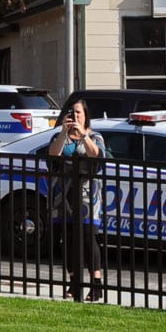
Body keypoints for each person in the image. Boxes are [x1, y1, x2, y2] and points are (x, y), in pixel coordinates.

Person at [47, 99, 104, 302]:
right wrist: (64, 132)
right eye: (72, 113)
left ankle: (96, 284)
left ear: (86, 115)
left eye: (79, 113)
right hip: (63, 197)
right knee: (69, 238)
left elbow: (96, 156)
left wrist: (83, 134)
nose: (75, 116)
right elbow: (53, 155)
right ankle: (74, 282)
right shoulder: (59, 136)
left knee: (89, 237)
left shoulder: (95, 136)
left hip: (87, 196)